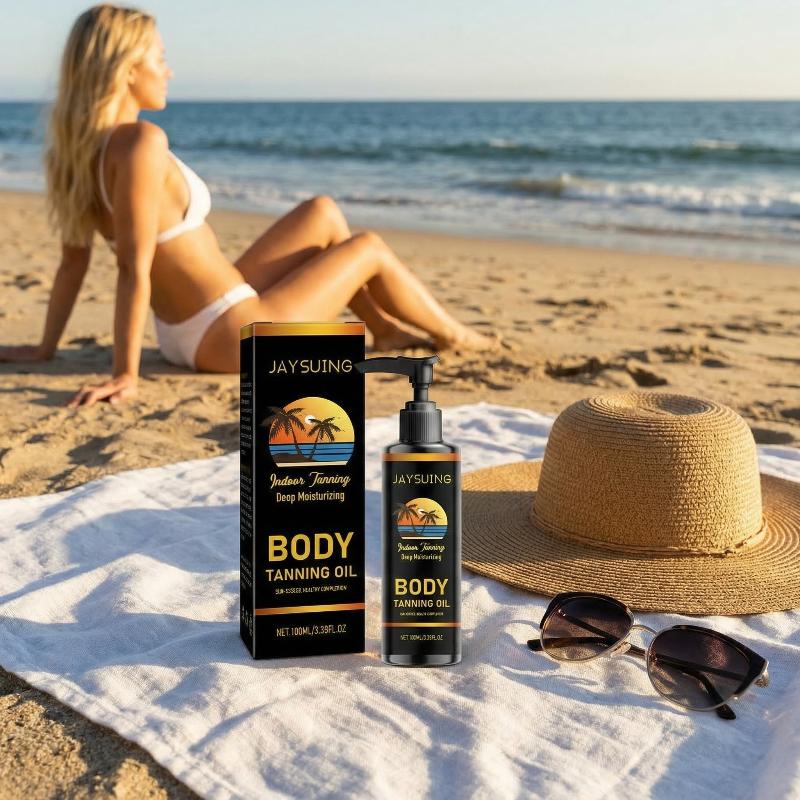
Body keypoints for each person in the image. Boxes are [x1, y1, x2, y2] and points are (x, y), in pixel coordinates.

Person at [0, 4, 498, 407]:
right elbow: (133, 265)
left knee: (322, 213)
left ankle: (385, 329)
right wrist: (125, 374)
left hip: (190, 327)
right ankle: (457, 336)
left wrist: (45, 348)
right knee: (368, 247)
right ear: (128, 69)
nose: (168, 70)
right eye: (159, 57)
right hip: (230, 337)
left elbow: (73, 261)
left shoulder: (80, 151)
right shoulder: (139, 142)